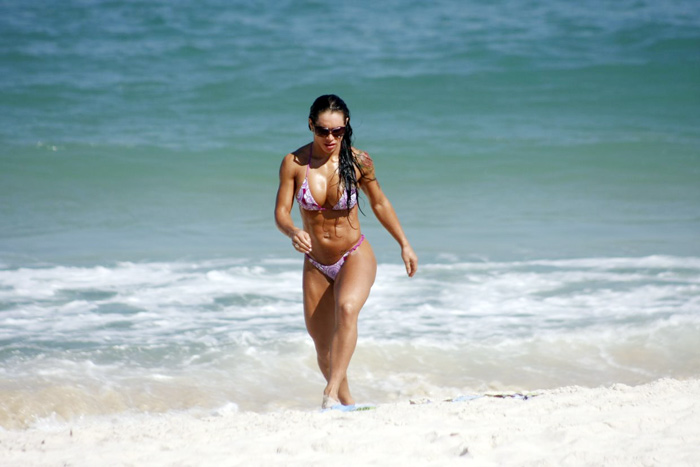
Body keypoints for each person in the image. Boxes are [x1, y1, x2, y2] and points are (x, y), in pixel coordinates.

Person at [274, 94, 418, 409]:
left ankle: (328, 394)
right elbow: (281, 213)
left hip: (354, 252)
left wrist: (404, 244)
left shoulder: (359, 161)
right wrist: (293, 231)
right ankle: (347, 403)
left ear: (346, 126)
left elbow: (379, 202)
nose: (330, 138)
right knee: (322, 344)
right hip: (316, 262)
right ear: (311, 125)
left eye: (337, 132)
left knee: (348, 309)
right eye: (323, 131)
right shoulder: (294, 163)